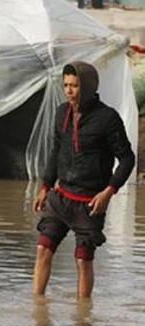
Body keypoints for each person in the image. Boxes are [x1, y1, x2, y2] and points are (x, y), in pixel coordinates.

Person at [32, 61, 135, 298]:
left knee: (83, 261)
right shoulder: (61, 113)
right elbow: (56, 152)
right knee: (42, 250)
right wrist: (45, 187)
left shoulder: (107, 119)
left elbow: (127, 159)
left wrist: (108, 192)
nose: (68, 91)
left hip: (89, 204)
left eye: (74, 86)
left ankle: (82, 321)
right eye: (66, 85)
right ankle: (37, 314)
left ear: (87, 87)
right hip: (60, 199)